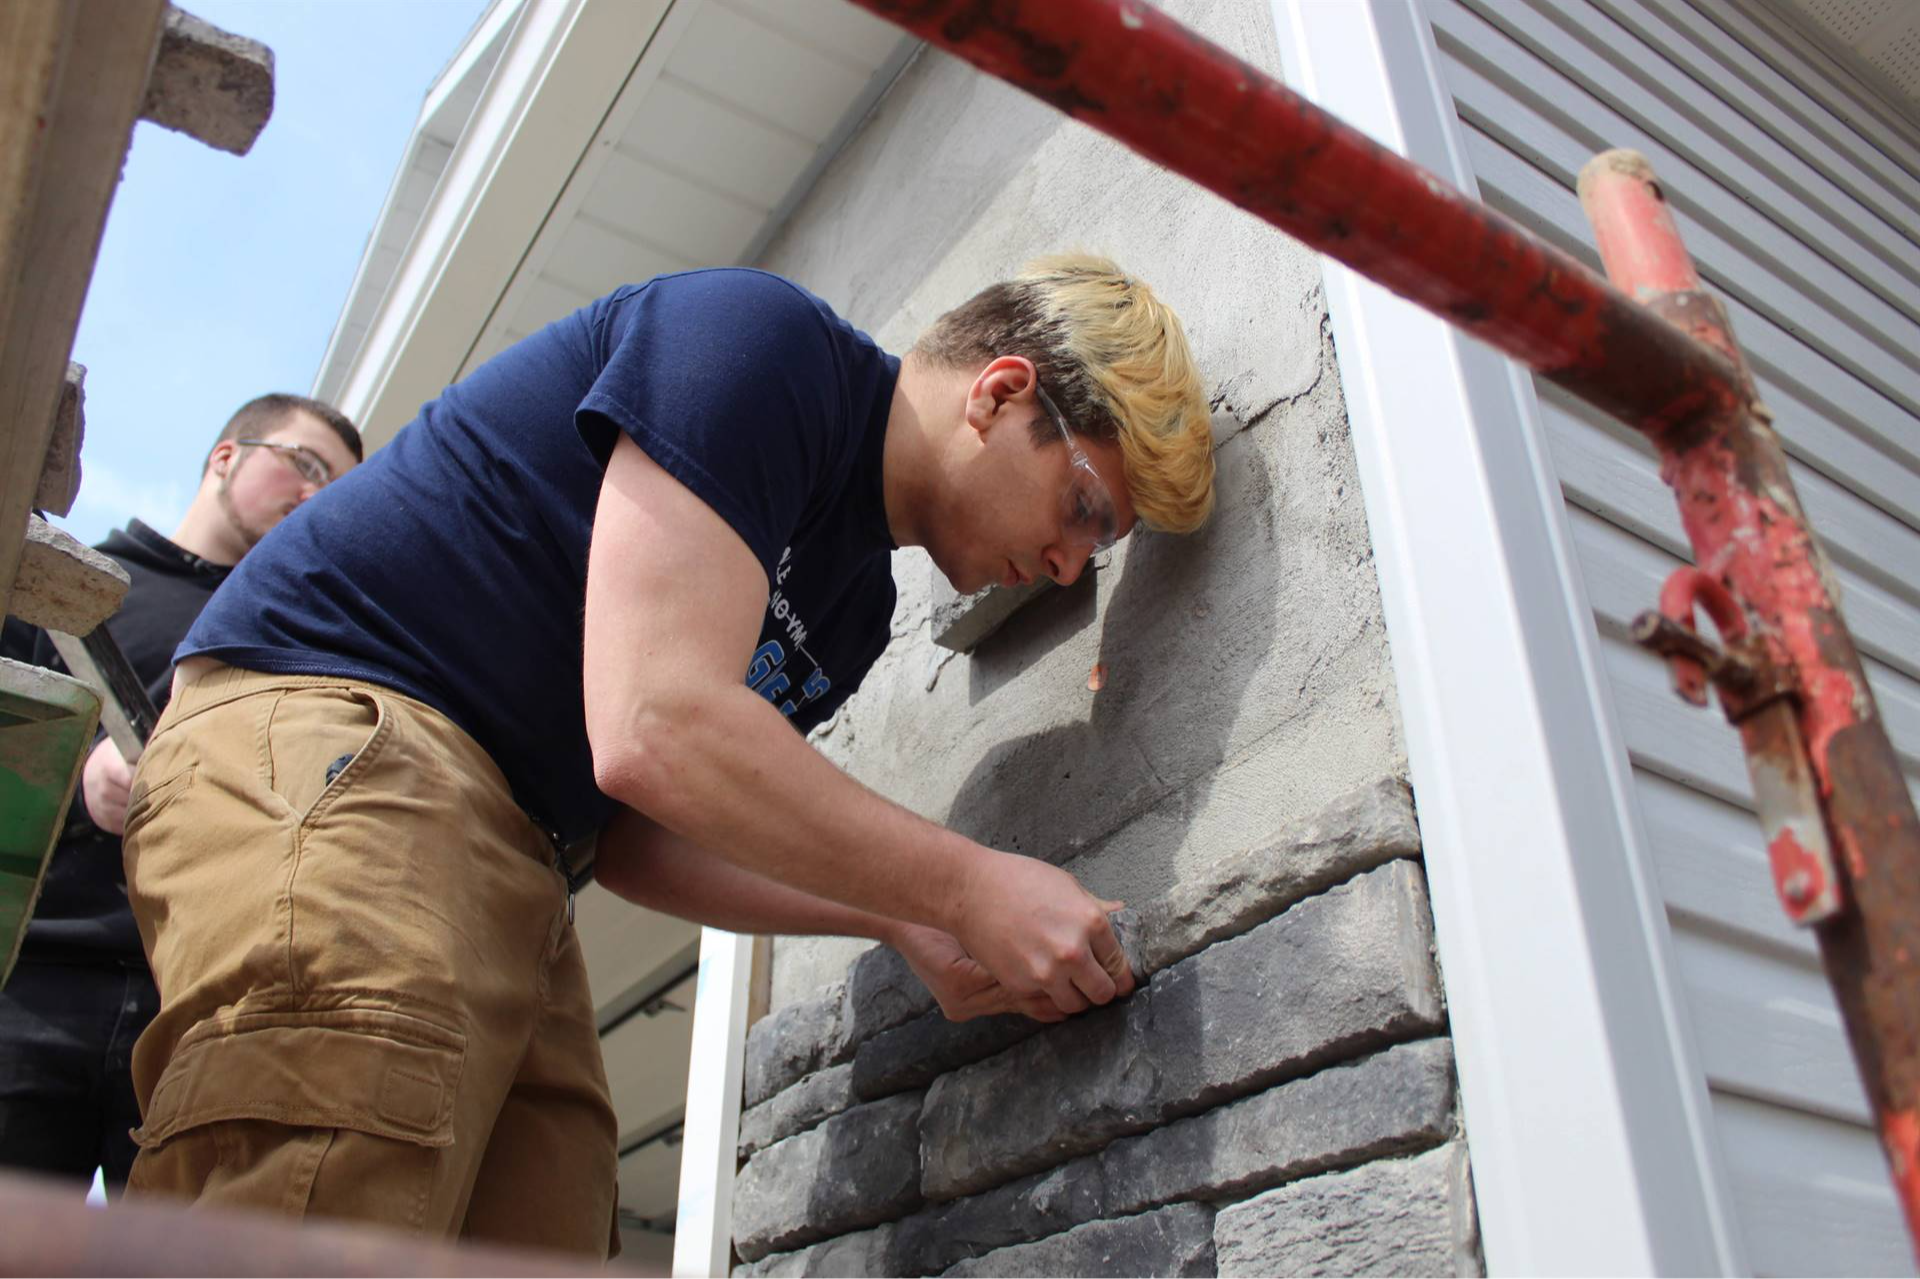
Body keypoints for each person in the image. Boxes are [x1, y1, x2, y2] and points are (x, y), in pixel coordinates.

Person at [119, 255, 1215, 1255]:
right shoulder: (761, 341)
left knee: (543, 1218)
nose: (1072, 570)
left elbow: (644, 842)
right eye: (1084, 509)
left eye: (1100, 547)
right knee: (335, 1156)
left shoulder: (850, 606)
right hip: (340, 728)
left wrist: (907, 917)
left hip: (516, 849)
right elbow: (653, 724)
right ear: (1001, 391)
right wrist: (970, 883)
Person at [0, 394, 363, 1195]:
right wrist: (71, 765)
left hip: (206, 1015)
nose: (315, 496)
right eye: (305, 465)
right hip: (33, 985)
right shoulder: (64, 585)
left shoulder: (301, 647)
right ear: (226, 456)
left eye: (336, 489)